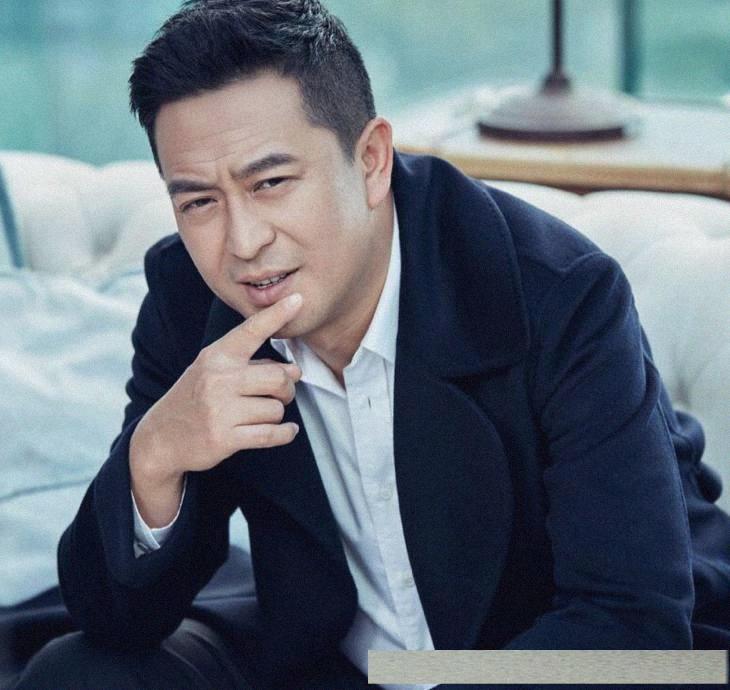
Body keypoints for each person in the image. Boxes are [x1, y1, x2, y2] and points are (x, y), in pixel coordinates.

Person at [12, 0, 730, 688]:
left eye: (271, 182)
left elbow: (628, 629)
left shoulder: (559, 295)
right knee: (78, 672)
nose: (243, 242)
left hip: (555, 654)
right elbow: (116, 621)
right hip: (336, 661)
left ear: (373, 160)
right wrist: (155, 456)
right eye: (199, 200)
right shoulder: (189, 297)